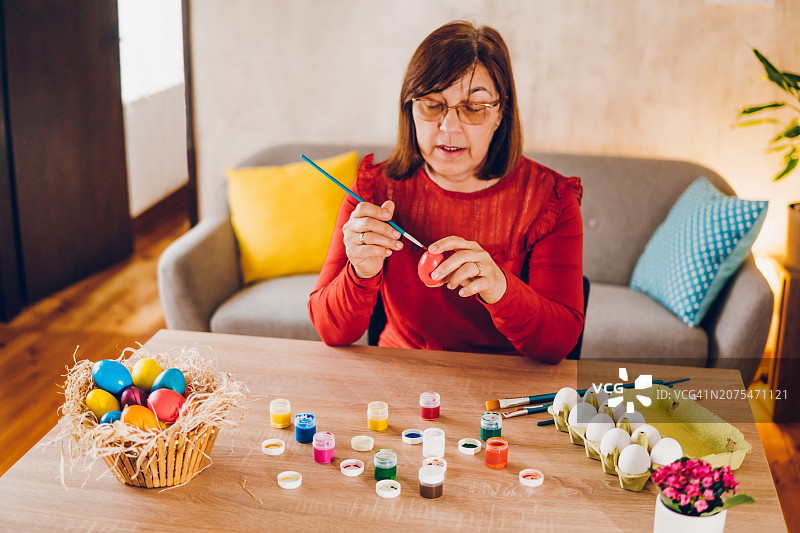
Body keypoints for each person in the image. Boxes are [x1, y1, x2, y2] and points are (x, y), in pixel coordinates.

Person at [309, 20, 584, 364]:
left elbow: (557, 344)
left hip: (506, 384)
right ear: (409, 108)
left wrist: (501, 288)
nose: (449, 127)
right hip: (403, 374)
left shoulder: (550, 200)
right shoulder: (373, 191)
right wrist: (359, 273)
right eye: (432, 104)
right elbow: (330, 331)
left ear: (501, 113)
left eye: (473, 108)